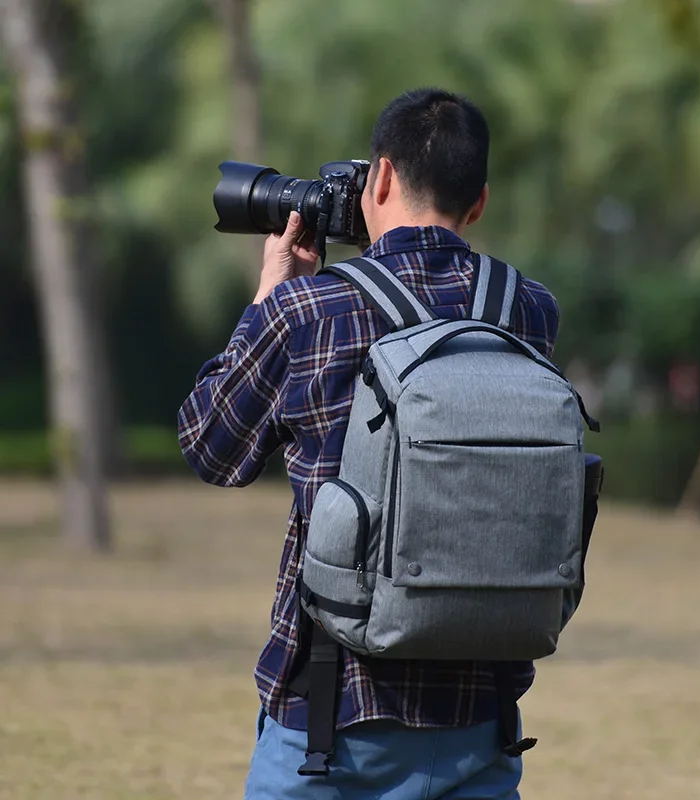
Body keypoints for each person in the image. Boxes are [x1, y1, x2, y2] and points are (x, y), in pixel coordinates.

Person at [178, 87, 560, 800]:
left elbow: (210, 446)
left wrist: (271, 291)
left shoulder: (312, 308)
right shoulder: (527, 310)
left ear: (379, 178)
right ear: (478, 202)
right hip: (480, 722)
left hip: (330, 725)